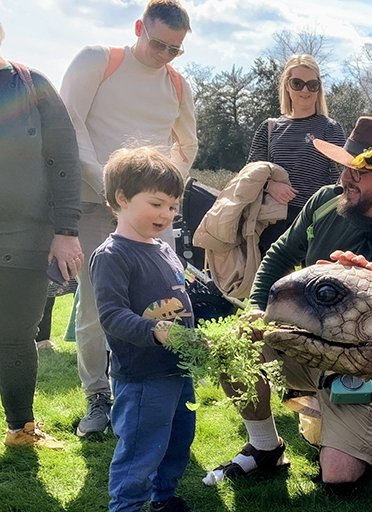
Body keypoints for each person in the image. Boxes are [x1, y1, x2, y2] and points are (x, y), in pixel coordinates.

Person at [205, 117, 372, 494]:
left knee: (338, 478)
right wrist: (257, 309)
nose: (346, 178)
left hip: (361, 366)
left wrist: (363, 283)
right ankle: (265, 447)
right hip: (303, 344)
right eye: (345, 166)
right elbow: (279, 255)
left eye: (359, 171)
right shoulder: (325, 201)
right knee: (235, 343)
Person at [60, 0, 198, 437]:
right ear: (139, 27)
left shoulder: (177, 84)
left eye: (175, 49)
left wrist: (162, 198)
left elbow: (188, 144)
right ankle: (99, 397)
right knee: (97, 306)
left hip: (150, 213)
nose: (164, 55)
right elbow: (69, 124)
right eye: (158, 44)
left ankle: (161, 385)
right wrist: (109, 184)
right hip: (95, 202)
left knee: (167, 300)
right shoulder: (99, 61)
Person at [91, 146, 194, 512]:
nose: (166, 214)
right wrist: (155, 330)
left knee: (178, 439)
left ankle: (163, 498)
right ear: (122, 198)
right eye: (157, 204)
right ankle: (128, 505)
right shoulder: (112, 255)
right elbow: (112, 316)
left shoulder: (163, 249)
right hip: (142, 377)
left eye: (172, 206)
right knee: (140, 450)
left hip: (178, 369)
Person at [0, 21, 81, 450]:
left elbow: (64, 159)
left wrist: (67, 230)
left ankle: (21, 430)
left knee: (15, 334)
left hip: (26, 235)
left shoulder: (33, 86)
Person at [247, 54, 346, 254]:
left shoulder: (330, 129)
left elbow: (341, 181)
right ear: (286, 85)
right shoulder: (269, 128)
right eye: (297, 83)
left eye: (312, 85)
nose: (305, 90)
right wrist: (270, 185)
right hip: (272, 224)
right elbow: (249, 174)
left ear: (319, 88)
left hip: (317, 225)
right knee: (273, 285)